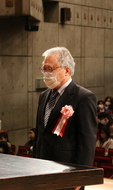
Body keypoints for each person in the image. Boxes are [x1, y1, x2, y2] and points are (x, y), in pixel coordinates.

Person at [34, 47, 97, 190]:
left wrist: (80, 176)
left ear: (66, 70)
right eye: (43, 69)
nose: (45, 73)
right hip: (41, 169)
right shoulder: (44, 96)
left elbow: (87, 141)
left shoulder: (84, 97)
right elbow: (40, 133)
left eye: (49, 68)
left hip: (66, 171)